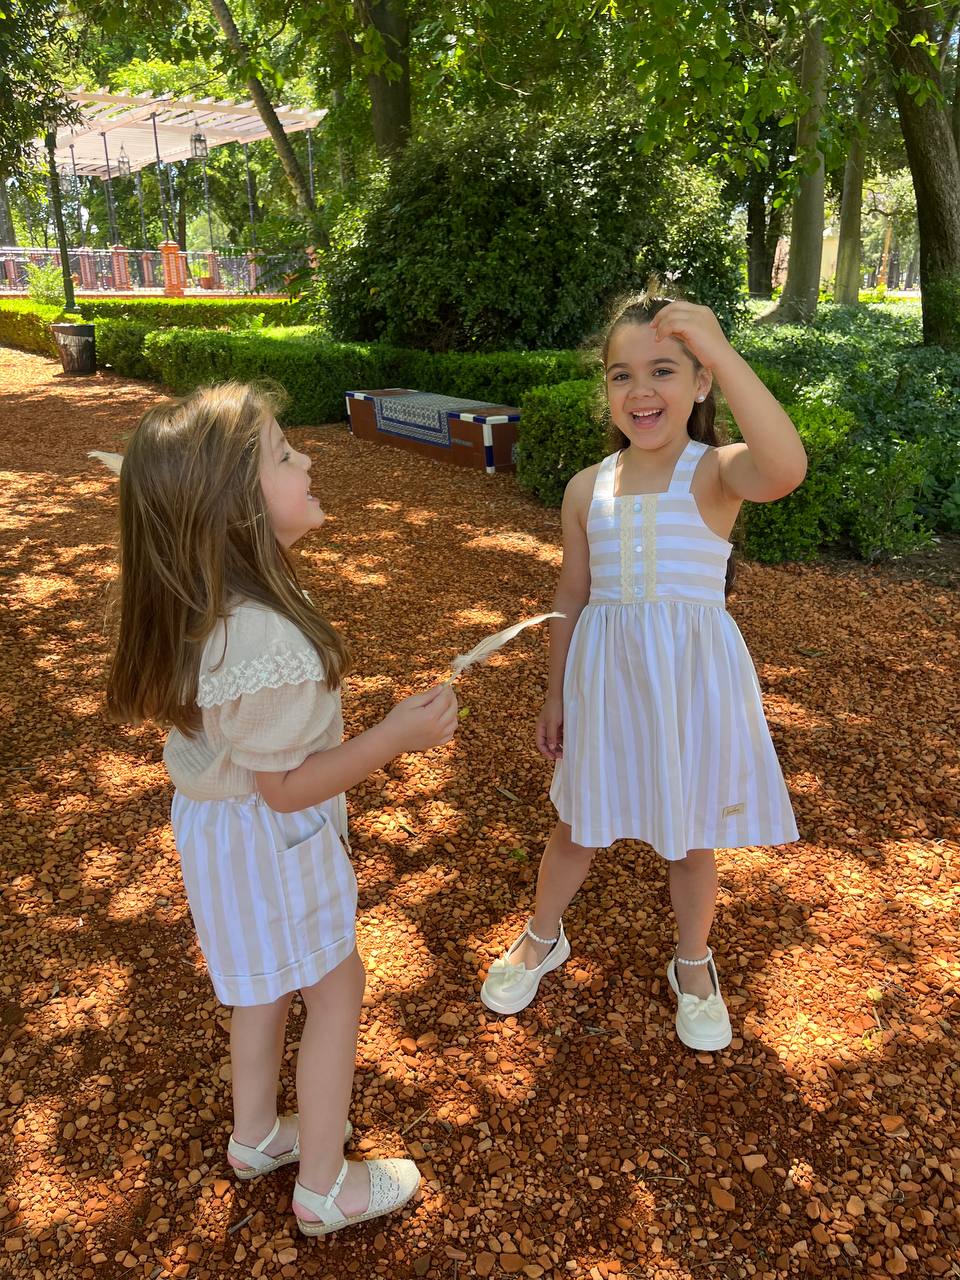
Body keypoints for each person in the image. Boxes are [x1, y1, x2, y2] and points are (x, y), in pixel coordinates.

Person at [105, 383, 459, 1235]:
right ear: (235, 508)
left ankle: (258, 1135)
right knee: (336, 987)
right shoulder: (269, 639)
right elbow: (288, 787)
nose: (307, 461)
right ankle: (325, 1188)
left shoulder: (210, 605)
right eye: (284, 455)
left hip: (221, 834)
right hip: (270, 838)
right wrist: (394, 736)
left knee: (262, 988)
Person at [480, 291, 806, 1051]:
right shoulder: (586, 487)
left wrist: (721, 348)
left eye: (664, 370)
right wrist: (555, 692)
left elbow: (786, 466)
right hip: (605, 687)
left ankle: (693, 961)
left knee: (689, 838)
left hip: (687, 690)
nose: (640, 391)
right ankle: (542, 937)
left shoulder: (715, 472)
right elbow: (571, 595)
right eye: (621, 375)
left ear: (701, 382)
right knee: (576, 825)